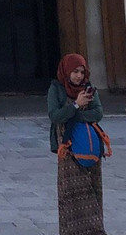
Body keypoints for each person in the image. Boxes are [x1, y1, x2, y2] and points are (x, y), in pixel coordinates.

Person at [48, 53, 106, 235]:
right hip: (68, 148)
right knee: (70, 192)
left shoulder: (89, 89)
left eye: (82, 72)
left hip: (88, 146)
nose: (79, 76)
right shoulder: (56, 89)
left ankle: (95, 230)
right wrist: (75, 105)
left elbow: (97, 113)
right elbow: (55, 116)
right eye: (74, 71)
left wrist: (76, 116)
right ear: (66, 71)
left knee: (92, 189)